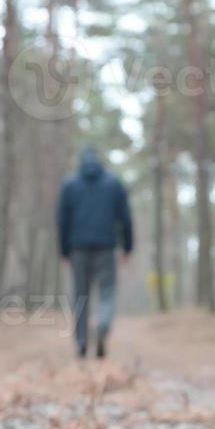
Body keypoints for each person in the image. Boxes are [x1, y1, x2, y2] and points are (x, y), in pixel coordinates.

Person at [57, 146, 133, 358]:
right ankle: (102, 326)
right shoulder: (113, 183)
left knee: (81, 296)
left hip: (78, 248)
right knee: (107, 292)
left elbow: (62, 221)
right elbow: (125, 218)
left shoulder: (70, 184)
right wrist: (128, 246)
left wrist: (64, 250)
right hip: (106, 247)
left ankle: (82, 342)